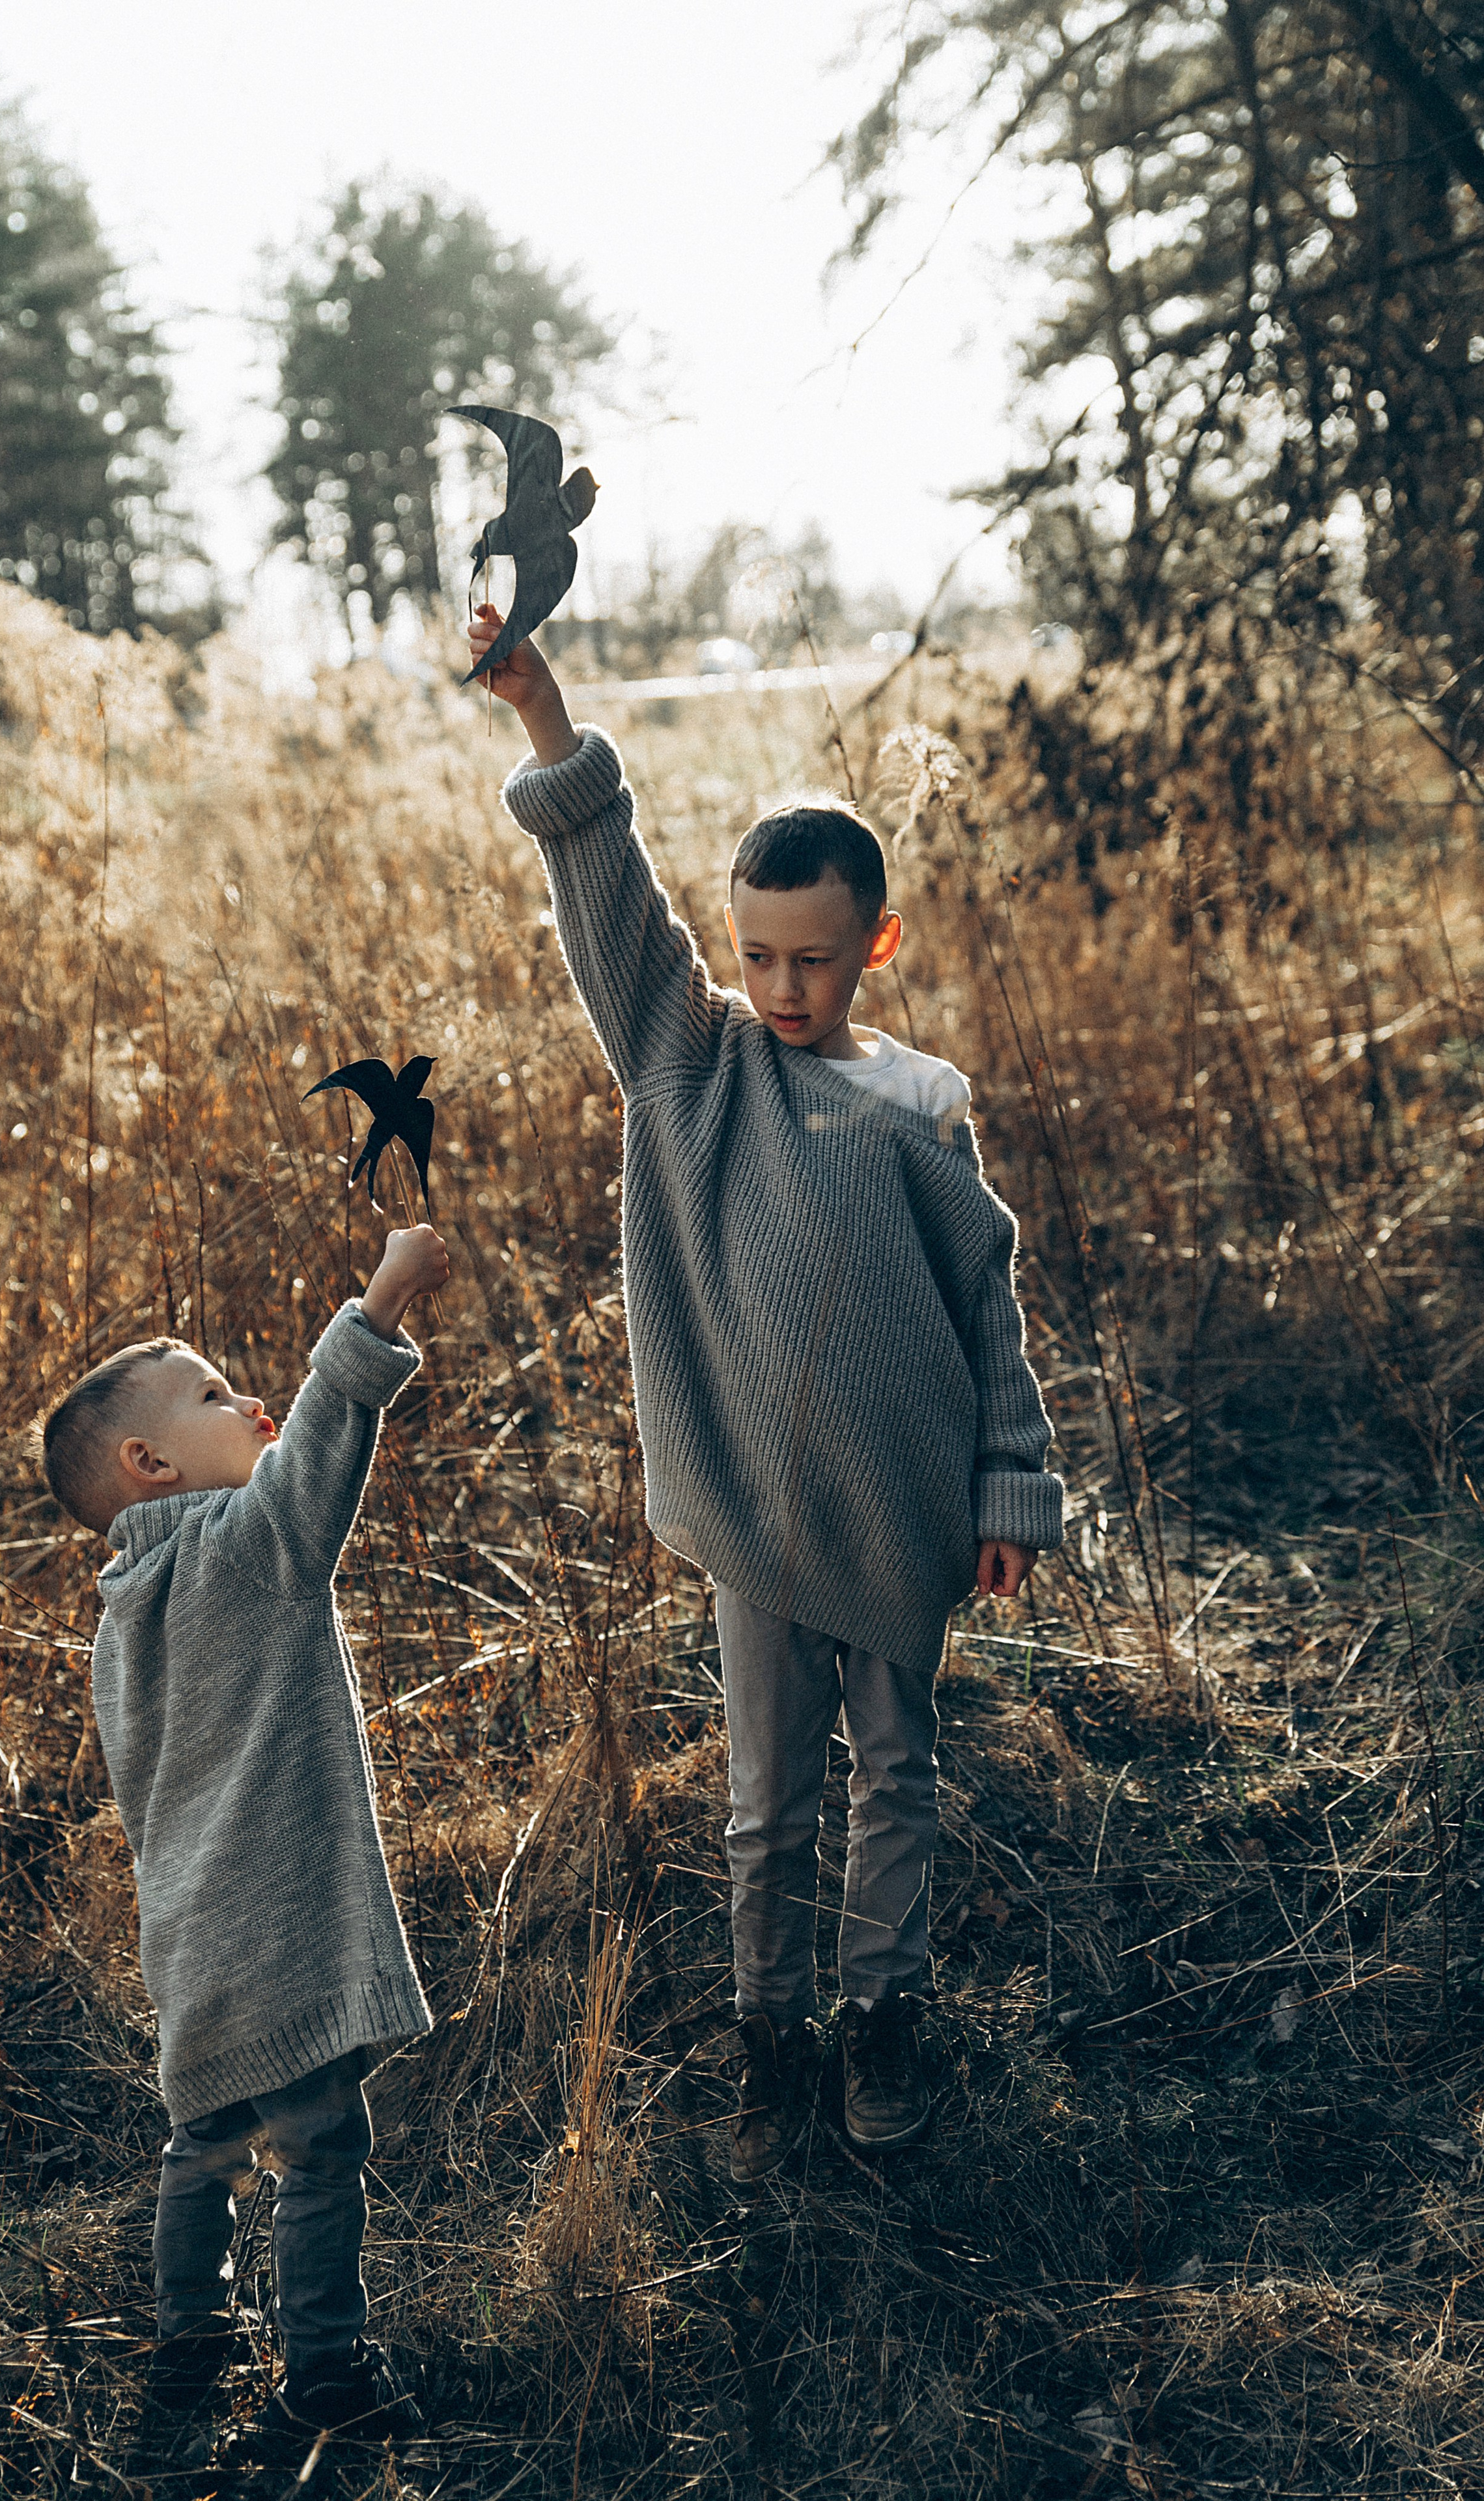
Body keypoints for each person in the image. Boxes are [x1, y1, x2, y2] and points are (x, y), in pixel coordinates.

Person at [472, 603, 1063, 2186]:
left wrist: (1008, 1488)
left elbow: (981, 1309)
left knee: (895, 1775)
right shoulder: (693, 1065)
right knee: (761, 1801)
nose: (780, 985)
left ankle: (882, 2020)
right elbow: (615, 915)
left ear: (874, 941)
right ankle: (769, 2037)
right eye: (755, 955)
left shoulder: (920, 1104)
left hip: (904, 1501)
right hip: (752, 1506)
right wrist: (548, 722)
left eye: (812, 957)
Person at [39, 1222, 449, 2440]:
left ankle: (187, 2351)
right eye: (215, 1394)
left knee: (203, 2149)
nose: (252, 1397)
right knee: (320, 2156)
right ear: (149, 1462)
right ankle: (326, 2374)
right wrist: (375, 1309)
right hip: (283, 1928)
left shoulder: (122, 1619)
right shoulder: (248, 1550)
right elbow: (321, 1451)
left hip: (190, 1946)